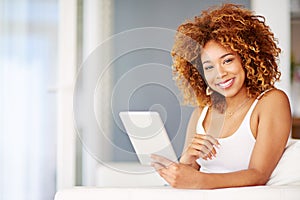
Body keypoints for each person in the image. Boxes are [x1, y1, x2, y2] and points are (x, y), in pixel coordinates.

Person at [151, 3, 292, 189]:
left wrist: (201, 181)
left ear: (246, 58)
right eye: (209, 67)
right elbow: (188, 178)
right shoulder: (202, 113)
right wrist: (186, 161)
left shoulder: (270, 102)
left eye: (227, 60)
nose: (220, 73)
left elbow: (259, 175)